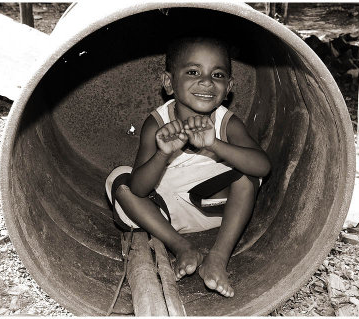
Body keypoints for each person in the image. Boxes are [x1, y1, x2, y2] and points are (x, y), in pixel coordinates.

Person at [106, 36, 271, 298]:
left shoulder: (226, 122)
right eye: (193, 72)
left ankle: (217, 258)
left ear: (228, 87)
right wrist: (162, 154)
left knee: (246, 175)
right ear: (169, 83)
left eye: (217, 74)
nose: (206, 81)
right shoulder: (157, 123)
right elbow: (139, 188)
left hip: (217, 208)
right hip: (165, 214)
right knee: (120, 180)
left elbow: (263, 166)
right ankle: (181, 246)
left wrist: (214, 144)